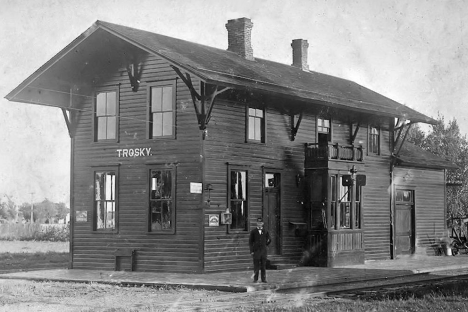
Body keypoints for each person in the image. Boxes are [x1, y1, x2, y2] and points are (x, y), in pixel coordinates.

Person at [249, 217, 271, 283]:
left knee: (263, 266)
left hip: (263, 251)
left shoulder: (265, 231)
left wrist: (265, 245)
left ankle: (263, 279)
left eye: (260, 223)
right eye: (258, 223)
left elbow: (269, 239)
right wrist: (252, 251)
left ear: (262, 223)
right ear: (256, 223)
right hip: (256, 251)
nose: (259, 224)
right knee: (256, 266)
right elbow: (250, 242)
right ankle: (255, 279)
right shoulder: (253, 231)